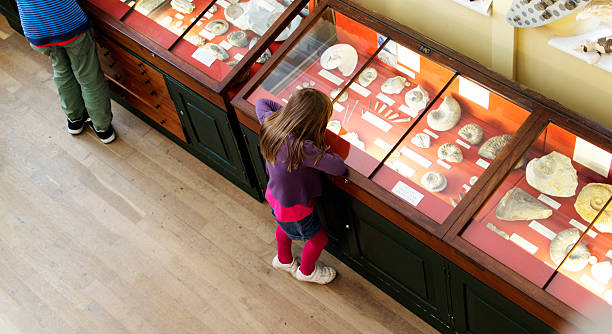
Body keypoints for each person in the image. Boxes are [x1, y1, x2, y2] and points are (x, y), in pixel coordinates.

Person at [256, 88, 346, 284]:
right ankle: (306, 272)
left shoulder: (271, 123)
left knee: (282, 226)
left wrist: (288, 117)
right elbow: (338, 168)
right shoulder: (303, 148)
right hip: (295, 208)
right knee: (319, 240)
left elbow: (262, 102)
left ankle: (284, 260)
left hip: (274, 196)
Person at [15, 0, 116, 143]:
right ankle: (103, 128)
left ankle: (75, 119)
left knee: (61, 69)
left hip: (35, 27)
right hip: (67, 22)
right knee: (89, 76)